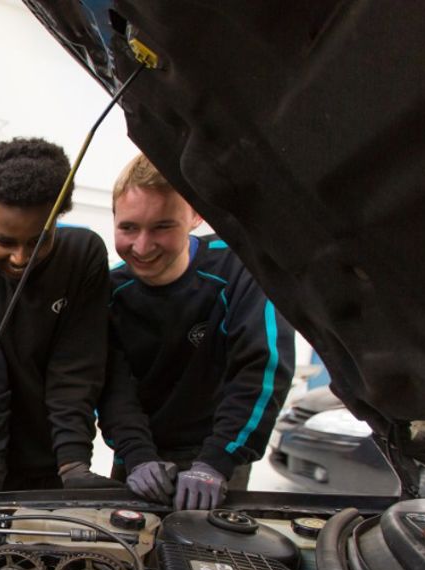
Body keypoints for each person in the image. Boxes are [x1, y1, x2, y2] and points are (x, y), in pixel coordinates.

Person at [99, 154, 295, 509]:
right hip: (140, 461)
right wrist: (137, 455)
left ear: (196, 216)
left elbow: (260, 371)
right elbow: (113, 387)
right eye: (128, 228)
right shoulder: (108, 293)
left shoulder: (242, 267)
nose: (142, 247)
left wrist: (216, 461)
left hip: (220, 460)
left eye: (162, 227)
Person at [0, 138, 118, 500]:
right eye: (5, 242)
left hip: (56, 467)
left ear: (57, 220)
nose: (21, 258)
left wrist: (73, 463)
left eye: (38, 242)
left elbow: (76, 366)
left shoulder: (83, 257)